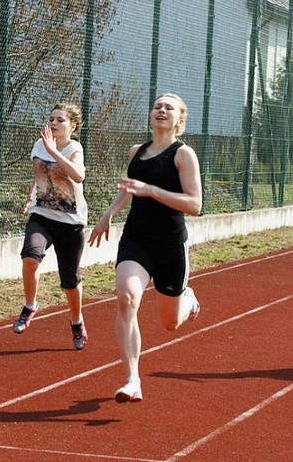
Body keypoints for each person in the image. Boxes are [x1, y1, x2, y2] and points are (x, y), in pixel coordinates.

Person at [88, 93, 202, 402]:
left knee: (170, 323)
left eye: (169, 108)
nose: (161, 110)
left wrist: (151, 190)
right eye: (157, 106)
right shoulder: (136, 152)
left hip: (169, 244)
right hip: (136, 240)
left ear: (179, 120)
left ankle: (187, 300)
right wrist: (108, 214)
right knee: (126, 299)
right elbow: (129, 191)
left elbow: (194, 204)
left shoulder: (183, 155)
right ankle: (132, 378)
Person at [13, 102, 89, 351]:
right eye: (52, 119)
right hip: (42, 216)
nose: (53, 123)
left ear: (72, 126)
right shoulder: (39, 145)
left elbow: (78, 176)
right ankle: (30, 306)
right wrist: (30, 196)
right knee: (30, 257)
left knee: (70, 280)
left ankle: (77, 322)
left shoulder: (74, 148)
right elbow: (41, 175)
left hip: (70, 222)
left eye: (60, 120)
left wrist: (53, 150)